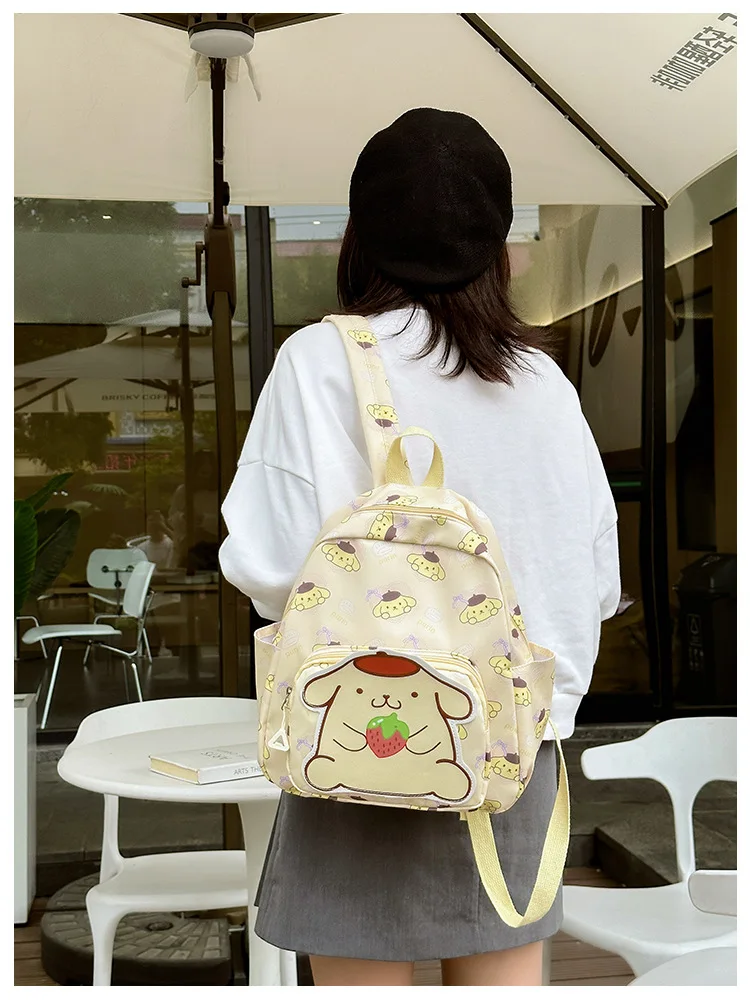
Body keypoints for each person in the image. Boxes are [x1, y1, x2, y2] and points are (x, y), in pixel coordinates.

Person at [220, 108, 620, 988]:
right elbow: (593, 585)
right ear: (498, 248)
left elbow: (268, 565)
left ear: (360, 236)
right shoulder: (544, 383)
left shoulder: (321, 360)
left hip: (356, 734)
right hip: (513, 749)